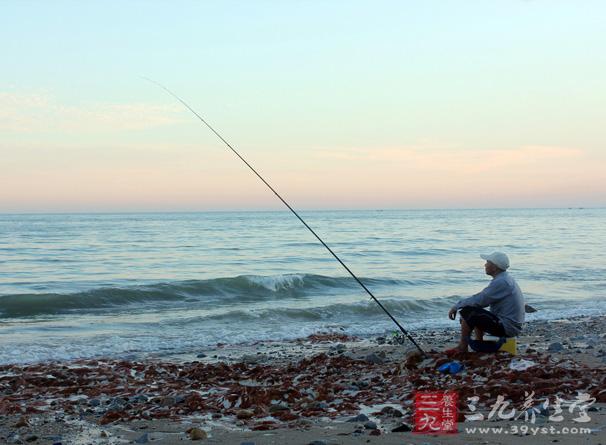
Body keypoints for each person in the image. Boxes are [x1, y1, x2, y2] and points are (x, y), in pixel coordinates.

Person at [447, 252, 525, 353]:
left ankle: (463, 346)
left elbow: (480, 300)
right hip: (511, 325)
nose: (485, 265)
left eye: (487, 262)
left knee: (467, 311)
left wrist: (456, 306)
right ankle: (479, 343)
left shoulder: (501, 282)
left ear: (494, 267)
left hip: (507, 327)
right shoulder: (505, 279)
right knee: (475, 311)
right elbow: (481, 300)